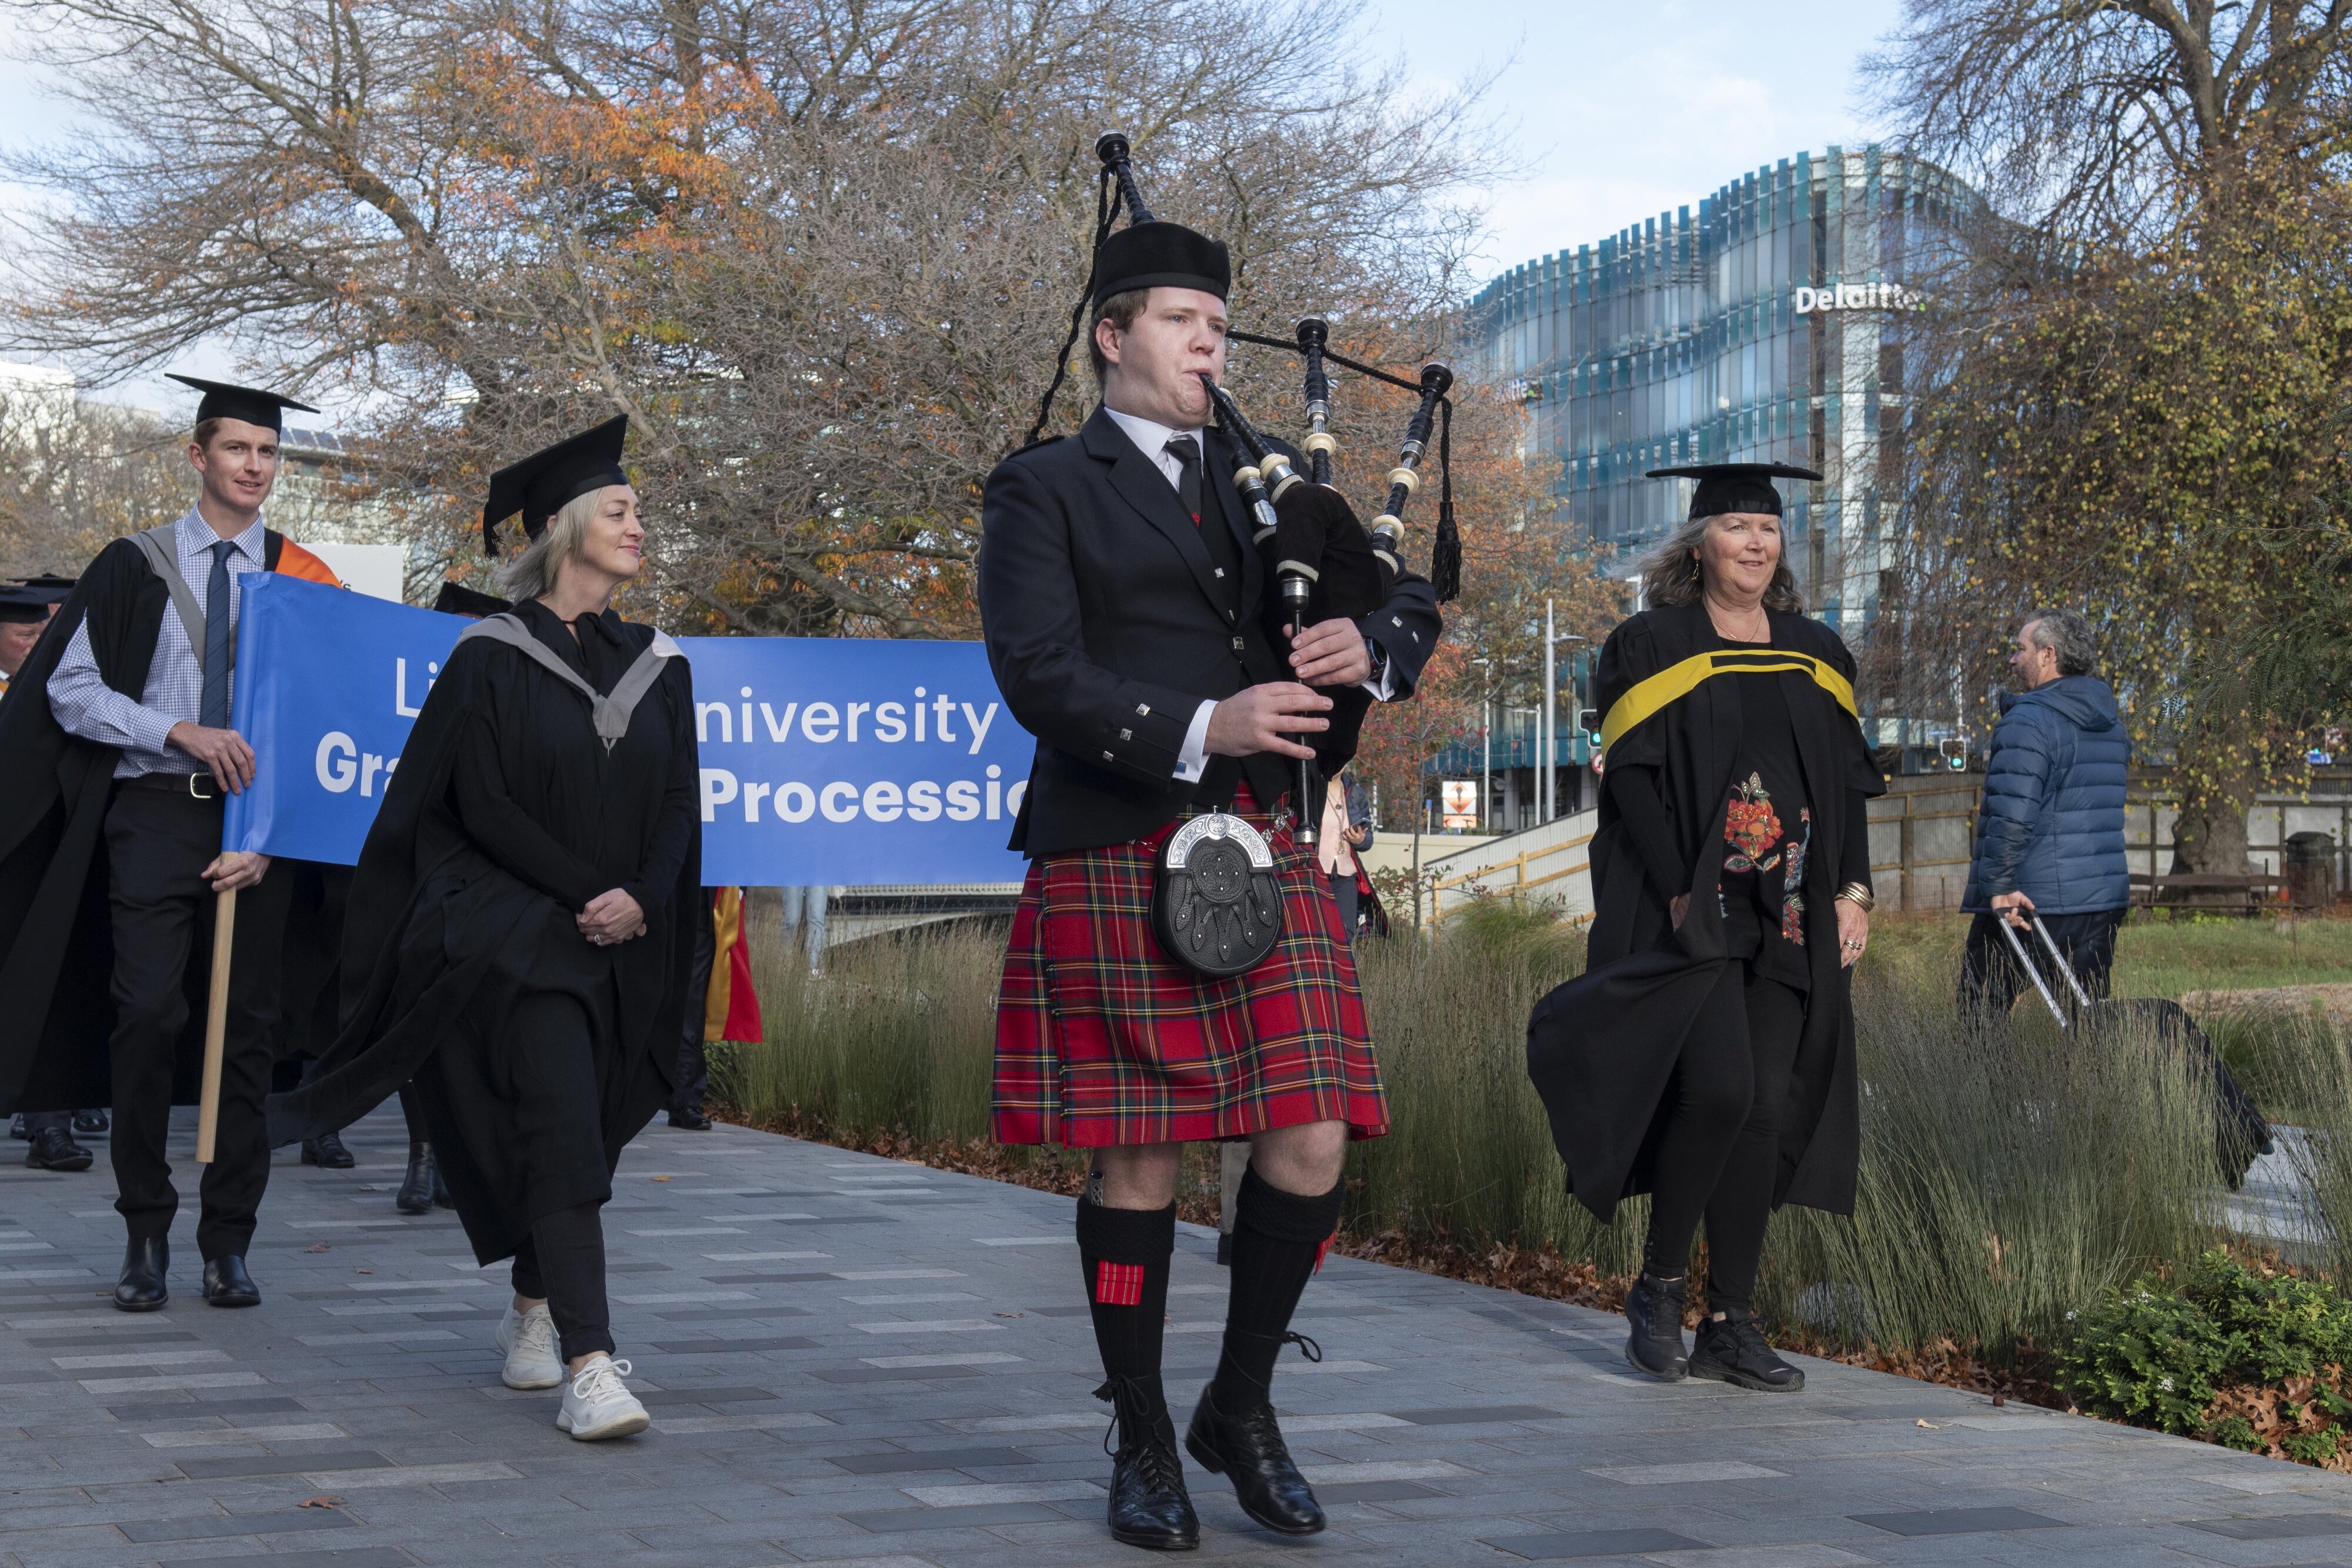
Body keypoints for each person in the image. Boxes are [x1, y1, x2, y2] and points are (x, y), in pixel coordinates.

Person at [980, 212, 1441, 1549]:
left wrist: (1377, 640)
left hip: (1262, 840)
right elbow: (1036, 669)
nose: (1208, 341)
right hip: (1120, 837)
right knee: (1141, 1153)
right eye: (1181, 320)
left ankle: (1236, 1405)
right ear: (1112, 336)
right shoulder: (1044, 487)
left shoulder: (1272, 483)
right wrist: (1204, 724)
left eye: (1216, 321)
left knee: (1312, 1129)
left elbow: (1398, 602)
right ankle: (1137, 1427)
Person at [268, 415, 699, 1443]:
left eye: (638, 510)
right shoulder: (490, 658)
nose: (639, 525)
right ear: (562, 527)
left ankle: (531, 1304)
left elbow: (683, 804)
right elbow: (480, 804)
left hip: (630, 940)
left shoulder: (659, 664)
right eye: (620, 509)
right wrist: (586, 891)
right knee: (555, 1115)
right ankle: (592, 1368)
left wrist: (640, 895)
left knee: (586, 1132)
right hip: (522, 933)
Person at [1524, 462, 1883, 1395]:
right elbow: (1632, 778)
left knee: (1764, 1102)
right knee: (1719, 1090)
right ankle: (1657, 1284)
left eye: (1767, 529)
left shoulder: (1815, 647)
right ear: (1697, 545)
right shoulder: (1649, 641)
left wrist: (1855, 888)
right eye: (1735, 527)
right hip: (1694, 900)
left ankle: (1730, 1316)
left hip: (1795, 903)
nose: (1755, 544)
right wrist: (1676, 890)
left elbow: (1845, 782)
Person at [0, 377, 345, 1311]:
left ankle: (227, 1240)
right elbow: (69, 690)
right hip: (156, 810)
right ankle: (144, 1228)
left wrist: (272, 835)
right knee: (146, 1011)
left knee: (246, 1037)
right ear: (199, 456)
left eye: (268, 452)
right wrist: (177, 730)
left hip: (262, 828)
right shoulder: (132, 564)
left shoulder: (303, 576)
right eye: (238, 449)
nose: (255, 467)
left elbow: (325, 715)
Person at [1958, 608, 2131, 1022]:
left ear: (2048, 654)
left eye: (2020, 650)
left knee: (1979, 1015)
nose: (2012, 660)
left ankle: (1988, 1090)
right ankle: (2089, 1089)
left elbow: (2011, 813)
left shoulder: (2028, 720)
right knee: (2086, 1021)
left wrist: (1998, 886)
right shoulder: (2111, 724)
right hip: (2099, 901)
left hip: (2030, 903)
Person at [1, 578, 96, 1172]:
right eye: (25, 632)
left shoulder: (56, 697)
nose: (39, 640)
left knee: (43, 979)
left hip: (31, 863)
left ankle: (49, 1124)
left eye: (43, 631)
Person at [1316, 773, 1372, 943]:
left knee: (1345, 936)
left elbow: (1369, 840)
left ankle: (1342, 970)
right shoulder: (1310, 788)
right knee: (1317, 934)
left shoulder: (1355, 793)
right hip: (1314, 871)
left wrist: (1361, 840)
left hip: (1346, 875)